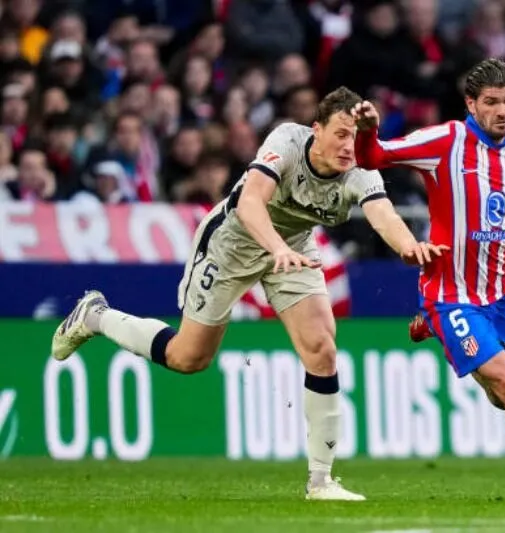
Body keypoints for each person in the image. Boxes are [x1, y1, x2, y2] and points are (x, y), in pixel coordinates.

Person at [51, 86, 446, 501]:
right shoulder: (287, 141)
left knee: (322, 349)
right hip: (232, 243)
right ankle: (94, 315)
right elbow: (249, 202)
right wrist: (275, 248)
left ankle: (321, 482)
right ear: (317, 130)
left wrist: (409, 248)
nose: (349, 146)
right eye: (341, 134)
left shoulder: (361, 167)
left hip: (293, 247)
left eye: (355, 136)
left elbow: (382, 213)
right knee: (189, 358)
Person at [351, 58, 505, 502]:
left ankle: (430, 326)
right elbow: (373, 157)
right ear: (471, 103)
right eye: (491, 102)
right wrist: (369, 130)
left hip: (499, 297)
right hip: (451, 295)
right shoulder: (445, 140)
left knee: (501, 399)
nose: (501, 111)